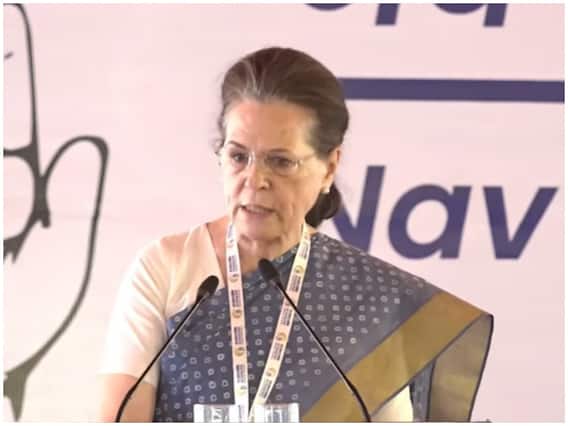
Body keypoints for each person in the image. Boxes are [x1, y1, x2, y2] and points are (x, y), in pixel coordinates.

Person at [95, 47, 493, 422]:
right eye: (238, 156)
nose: (255, 180)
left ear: (329, 168)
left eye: (281, 162)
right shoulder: (166, 267)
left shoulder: (371, 300)